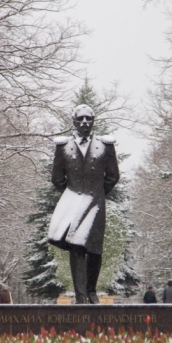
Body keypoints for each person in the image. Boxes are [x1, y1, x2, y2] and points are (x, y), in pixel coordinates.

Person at [47, 104, 120, 304]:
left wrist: (98, 192)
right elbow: (56, 178)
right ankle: (80, 296)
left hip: (95, 202)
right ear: (74, 122)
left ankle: (91, 290)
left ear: (93, 121)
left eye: (89, 118)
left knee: (95, 249)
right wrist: (72, 193)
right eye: (81, 119)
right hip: (73, 201)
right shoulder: (63, 147)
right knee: (76, 247)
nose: (85, 122)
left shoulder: (106, 146)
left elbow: (113, 176)